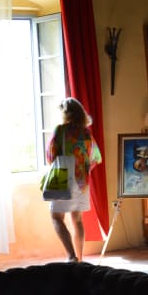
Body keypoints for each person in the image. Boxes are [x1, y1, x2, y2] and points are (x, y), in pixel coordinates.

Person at [46, 97, 102, 262]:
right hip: (81, 179)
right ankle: (80, 258)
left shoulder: (60, 130)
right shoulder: (86, 133)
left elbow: (50, 155)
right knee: (77, 219)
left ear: (65, 113)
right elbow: (96, 158)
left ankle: (71, 256)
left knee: (56, 217)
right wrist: (82, 168)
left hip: (61, 175)